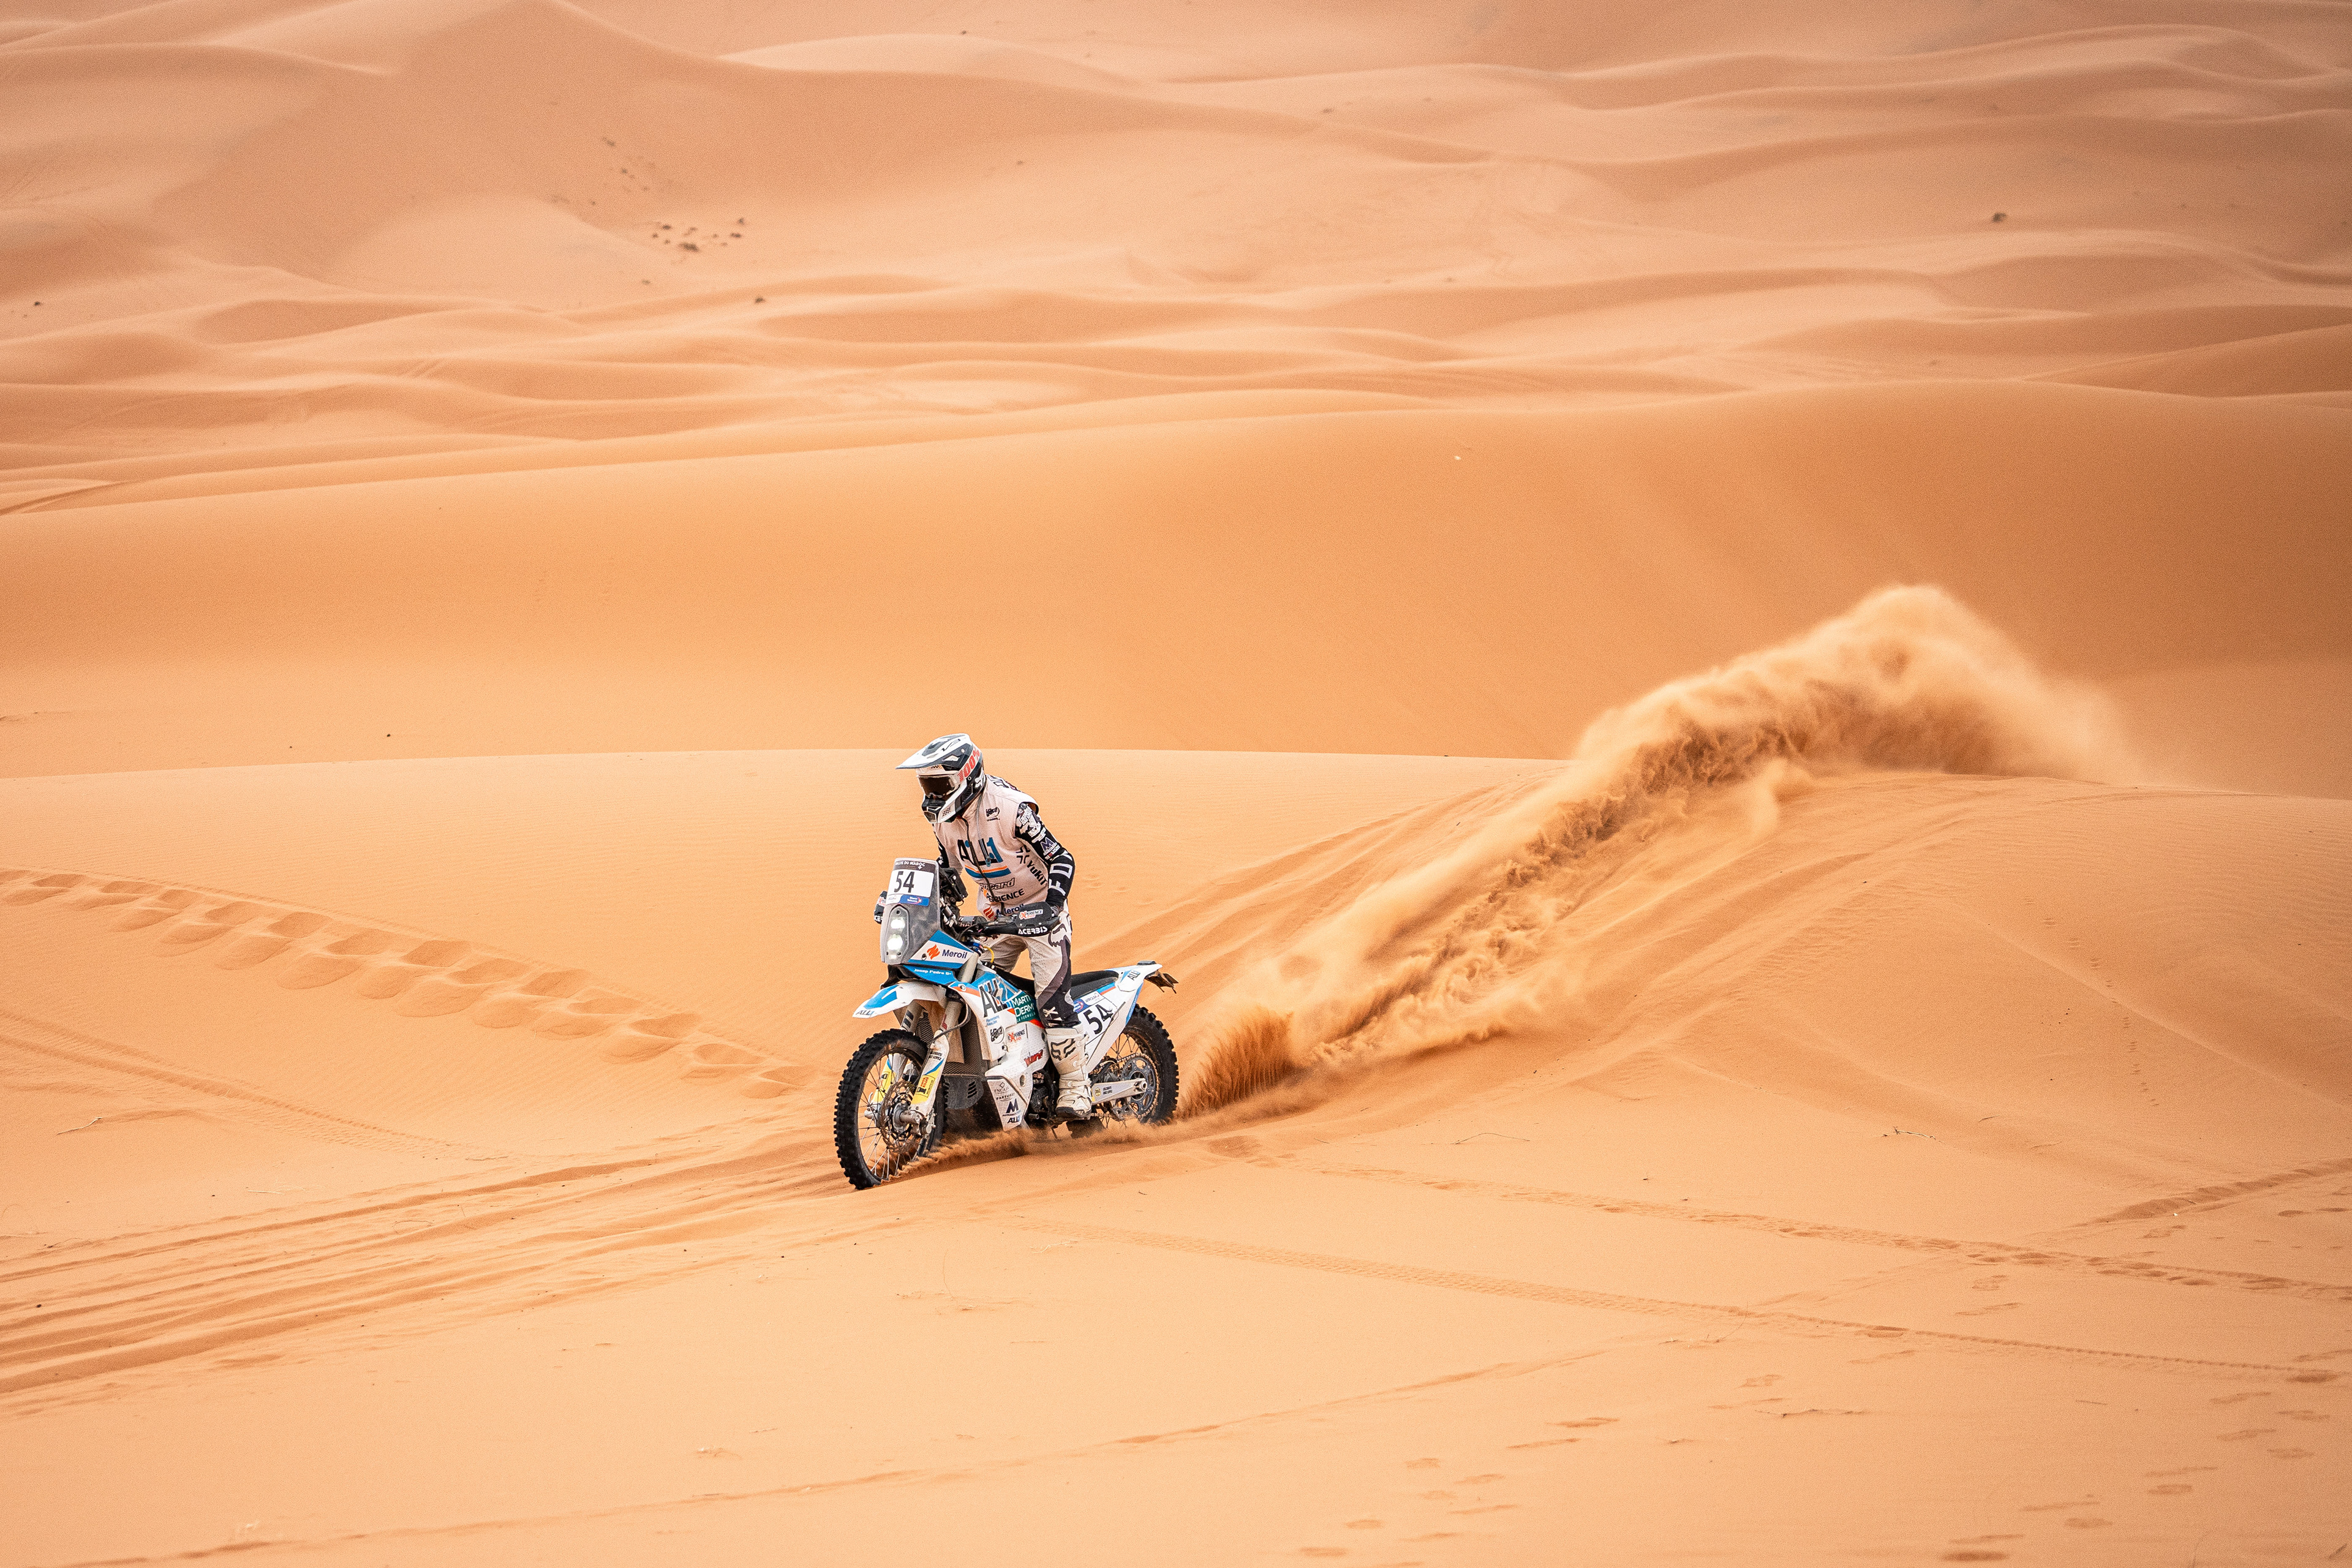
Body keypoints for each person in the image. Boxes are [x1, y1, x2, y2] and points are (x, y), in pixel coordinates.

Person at [894, 734, 1089, 1116]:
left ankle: (1075, 1087)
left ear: (966, 777)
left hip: (1038, 913)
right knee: (971, 991)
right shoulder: (943, 821)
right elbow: (947, 871)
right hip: (993, 916)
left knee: (1052, 1002)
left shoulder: (1012, 809)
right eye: (927, 786)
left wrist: (1052, 906)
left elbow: (1062, 859)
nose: (932, 795)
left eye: (940, 785)